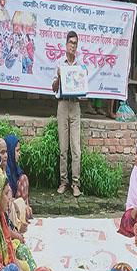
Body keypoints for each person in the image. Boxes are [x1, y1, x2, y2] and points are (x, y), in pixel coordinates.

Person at [52, 31, 86, 198]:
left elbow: (83, 90)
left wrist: (83, 79)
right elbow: (53, 88)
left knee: (76, 149)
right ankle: (64, 181)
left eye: (75, 43)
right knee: (63, 148)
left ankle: (76, 183)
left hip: (75, 106)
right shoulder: (60, 63)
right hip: (62, 106)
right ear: (66, 45)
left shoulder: (81, 66)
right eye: (71, 42)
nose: (73, 45)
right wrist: (58, 77)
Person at [4, 134, 32, 220]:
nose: (19, 154)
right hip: (6, 209)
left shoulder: (16, 171)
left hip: (15, 209)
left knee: (24, 179)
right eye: (17, 151)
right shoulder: (2, 172)